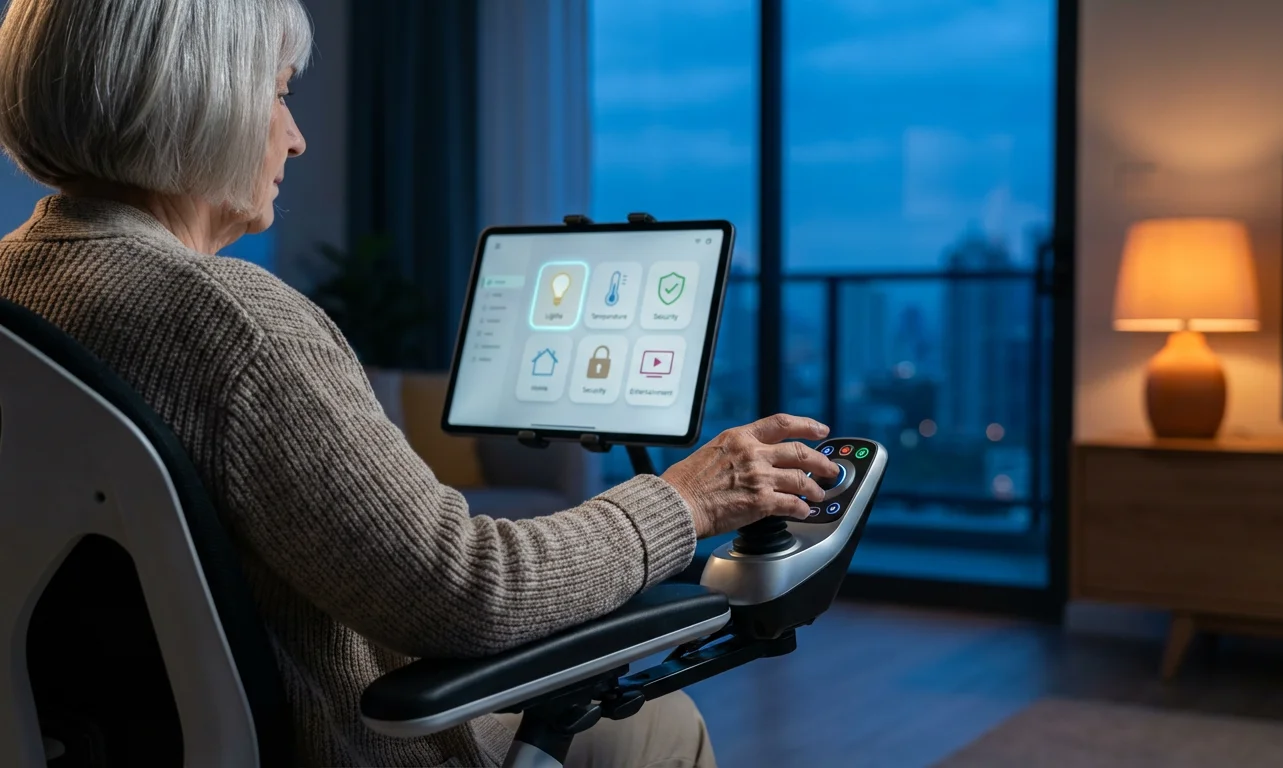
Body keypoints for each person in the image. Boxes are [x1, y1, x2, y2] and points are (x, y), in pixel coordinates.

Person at [0, 1, 838, 766]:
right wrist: (685, 499)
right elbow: (467, 591)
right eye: (280, 94)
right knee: (657, 722)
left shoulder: (15, 288)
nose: (295, 137)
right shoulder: (232, 322)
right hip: (336, 743)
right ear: (200, 95)